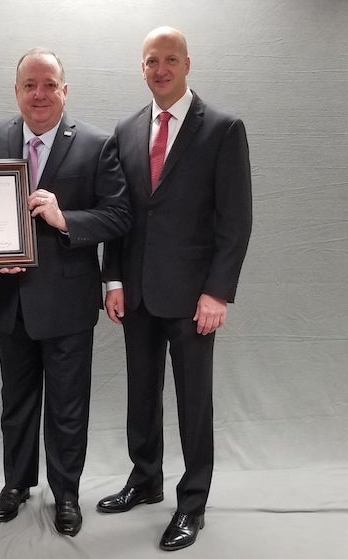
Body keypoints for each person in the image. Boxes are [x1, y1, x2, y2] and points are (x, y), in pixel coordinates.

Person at [0, 47, 131, 537]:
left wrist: (63, 217)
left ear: (64, 90)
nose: (39, 94)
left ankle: (67, 493)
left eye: (49, 84)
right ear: (16, 91)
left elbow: (119, 216)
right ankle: (16, 484)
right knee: (17, 401)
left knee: (68, 405)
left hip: (69, 302)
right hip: (9, 301)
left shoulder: (97, 143)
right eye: (30, 84)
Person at [96, 27, 253, 551]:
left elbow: (235, 221)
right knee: (141, 396)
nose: (159, 69)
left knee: (193, 402)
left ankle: (192, 503)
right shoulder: (126, 129)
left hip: (193, 299)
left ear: (188, 64)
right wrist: (112, 279)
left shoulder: (224, 129)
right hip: (137, 293)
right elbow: (119, 215)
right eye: (149, 61)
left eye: (169, 59)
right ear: (141, 68)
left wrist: (217, 293)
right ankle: (144, 481)